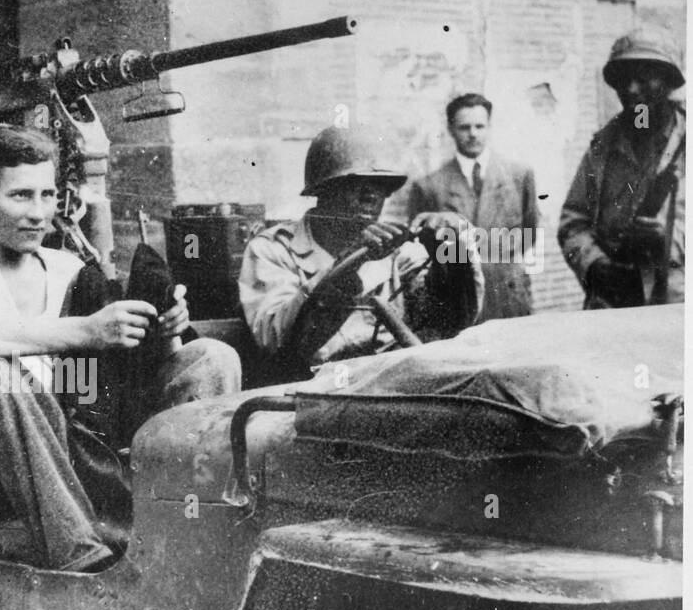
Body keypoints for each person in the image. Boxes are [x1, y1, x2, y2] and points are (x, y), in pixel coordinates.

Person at [0, 125, 240, 572]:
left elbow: (99, 373)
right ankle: (84, 560)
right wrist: (88, 330)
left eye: (49, 196)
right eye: (21, 196)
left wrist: (164, 325)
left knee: (211, 357)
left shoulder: (70, 268)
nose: (39, 213)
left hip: (71, 442)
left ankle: (200, 530)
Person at [239, 125, 467, 373]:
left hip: (386, 388)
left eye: (380, 185)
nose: (371, 195)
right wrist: (347, 265)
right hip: (307, 393)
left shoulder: (397, 254)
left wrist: (452, 252)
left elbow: (446, 321)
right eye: (356, 183)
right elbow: (275, 340)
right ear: (323, 190)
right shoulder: (273, 249)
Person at [559, 25, 685, 308]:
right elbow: (573, 222)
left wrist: (669, 238)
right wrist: (595, 265)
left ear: (667, 81)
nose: (631, 90)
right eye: (624, 80)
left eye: (643, 78)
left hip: (678, 307)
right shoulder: (603, 147)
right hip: (614, 303)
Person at [401, 93, 540, 319]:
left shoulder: (519, 175)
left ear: (489, 127)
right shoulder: (428, 187)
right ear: (451, 129)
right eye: (464, 127)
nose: (473, 134)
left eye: (479, 126)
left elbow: (530, 232)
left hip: (509, 298)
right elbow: (420, 253)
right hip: (457, 305)